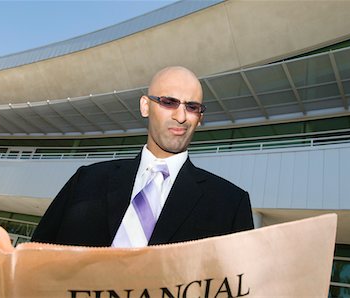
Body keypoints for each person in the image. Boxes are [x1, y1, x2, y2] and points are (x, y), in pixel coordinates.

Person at [31, 66, 254, 247]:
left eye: (192, 107)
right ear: (145, 106)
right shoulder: (86, 180)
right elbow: (34, 261)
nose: (181, 116)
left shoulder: (231, 205)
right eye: (169, 102)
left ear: (200, 116)